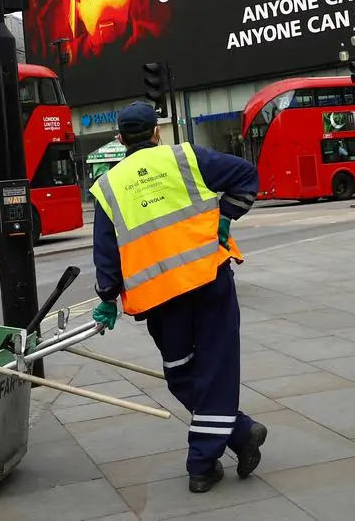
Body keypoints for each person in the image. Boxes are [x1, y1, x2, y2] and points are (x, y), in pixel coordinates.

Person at [89, 101, 267, 493]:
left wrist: (107, 297)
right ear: (156, 132)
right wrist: (226, 215)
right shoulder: (187, 157)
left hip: (160, 300)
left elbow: (106, 252)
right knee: (214, 369)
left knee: (180, 372)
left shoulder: (107, 186)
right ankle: (239, 434)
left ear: (120, 140)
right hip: (209, 281)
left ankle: (202, 462)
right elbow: (246, 175)